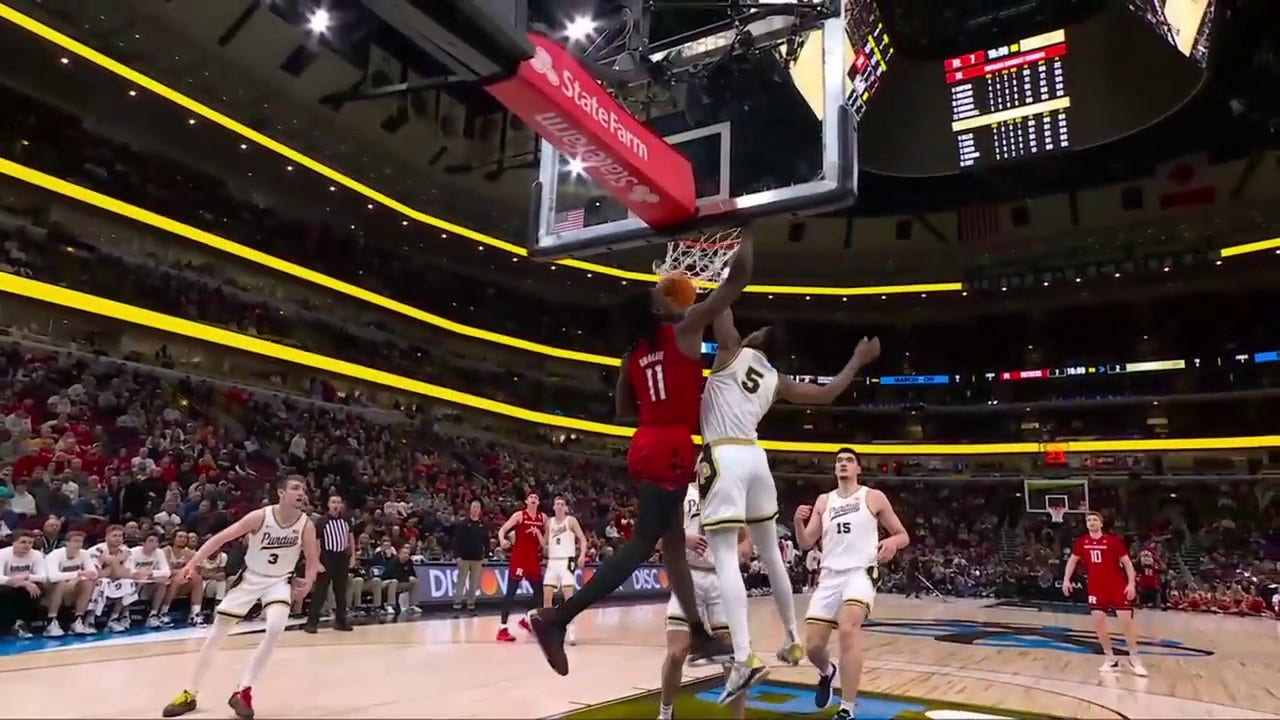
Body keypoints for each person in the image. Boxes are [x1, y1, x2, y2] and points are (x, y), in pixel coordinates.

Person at [529, 232, 757, 675]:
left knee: (673, 541)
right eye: (661, 295)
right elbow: (739, 281)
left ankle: (698, 631)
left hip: (647, 442)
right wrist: (748, 228)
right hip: (670, 446)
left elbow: (621, 411)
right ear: (658, 311)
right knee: (640, 545)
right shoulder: (685, 328)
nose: (670, 295)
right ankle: (557, 619)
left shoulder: (632, 353)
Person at [699, 307, 881, 703]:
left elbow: (721, 309)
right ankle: (793, 639)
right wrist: (858, 359)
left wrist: (719, 277)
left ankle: (744, 658)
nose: (755, 329)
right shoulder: (777, 380)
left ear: (759, 339)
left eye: (760, 328)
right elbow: (829, 392)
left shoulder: (730, 350)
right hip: (756, 458)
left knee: (726, 557)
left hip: (724, 455)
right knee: (771, 554)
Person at [162, 476, 319, 719]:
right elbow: (220, 538)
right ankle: (190, 693)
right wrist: (193, 564)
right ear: (281, 493)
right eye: (295, 488)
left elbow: (311, 560)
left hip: (278, 581)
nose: (301, 493)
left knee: (276, 627)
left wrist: (308, 583)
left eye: (304, 489)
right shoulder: (260, 516)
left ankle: (243, 690)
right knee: (216, 636)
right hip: (251, 579)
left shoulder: (306, 524)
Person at [794, 448, 909, 719]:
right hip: (830, 576)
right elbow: (805, 542)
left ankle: (847, 709)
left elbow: (903, 535)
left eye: (848, 461)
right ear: (835, 470)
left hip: (860, 572)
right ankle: (827, 672)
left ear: (859, 468)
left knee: (848, 629)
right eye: (839, 461)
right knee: (812, 648)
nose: (843, 464)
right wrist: (798, 522)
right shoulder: (824, 501)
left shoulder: (873, 496)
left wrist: (892, 542)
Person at [658, 483, 752, 720]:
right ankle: (665, 713)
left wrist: (737, 553)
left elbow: (745, 541)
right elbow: (656, 539)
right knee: (677, 653)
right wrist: (682, 538)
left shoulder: (727, 495)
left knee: (733, 657)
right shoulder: (678, 494)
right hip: (687, 575)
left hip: (721, 579)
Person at [1062, 511, 1147, 676]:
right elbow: (1072, 561)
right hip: (1096, 587)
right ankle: (1110, 658)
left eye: (1095, 520)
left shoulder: (1113, 541)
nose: (1092, 522)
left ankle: (1134, 658)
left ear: (1101, 524)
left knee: (1126, 623)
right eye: (1089, 520)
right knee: (1099, 624)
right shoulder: (1081, 542)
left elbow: (1127, 564)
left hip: (1116, 586)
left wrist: (1131, 584)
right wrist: (1066, 579)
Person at [496, 492, 546, 642]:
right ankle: (502, 628)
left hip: (533, 559)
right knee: (511, 593)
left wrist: (539, 534)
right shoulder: (519, 515)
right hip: (519, 558)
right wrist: (502, 540)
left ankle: (526, 620)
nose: (533, 499)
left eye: (536, 498)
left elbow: (547, 540)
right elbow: (502, 529)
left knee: (539, 593)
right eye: (531, 497)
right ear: (526, 501)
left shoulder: (543, 518)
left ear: (538, 502)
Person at [305, 494, 355, 633]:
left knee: (341, 591)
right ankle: (311, 623)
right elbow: (316, 543)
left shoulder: (346, 520)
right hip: (327, 557)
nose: (336, 505)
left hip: (342, 558)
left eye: (338, 502)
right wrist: (317, 562)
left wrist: (353, 557)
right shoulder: (322, 521)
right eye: (333, 502)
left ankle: (341, 621)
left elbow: (350, 539)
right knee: (320, 592)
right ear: (328, 504)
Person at [542, 496, 587, 645]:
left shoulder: (571, 521)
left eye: (562, 504)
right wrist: (536, 535)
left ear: (565, 507)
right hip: (552, 562)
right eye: (557, 504)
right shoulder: (549, 523)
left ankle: (572, 631)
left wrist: (581, 555)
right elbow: (545, 543)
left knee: (569, 598)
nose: (560, 506)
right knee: (547, 597)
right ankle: (548, 630)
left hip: (567, 561)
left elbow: (583, 539)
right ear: (553, 507)